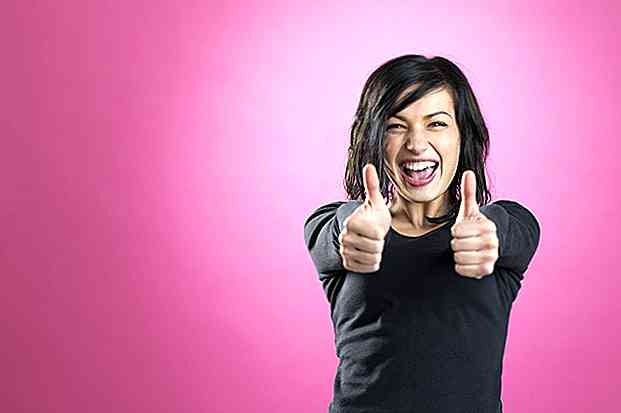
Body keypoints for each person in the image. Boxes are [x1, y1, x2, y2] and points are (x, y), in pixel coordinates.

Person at [303, 54, 541, 413]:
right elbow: (335, 228)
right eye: (396, 126)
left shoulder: (496, 229)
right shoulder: (344, 228)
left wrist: (490, 234)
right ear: (374, 138)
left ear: (463, 135)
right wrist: (350, 230)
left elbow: (518, 230)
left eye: (437, 124)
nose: (416, 143)